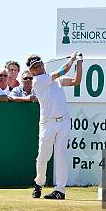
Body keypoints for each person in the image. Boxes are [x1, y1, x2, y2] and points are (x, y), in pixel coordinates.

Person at [27, 52, 82, 200]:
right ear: (31, 71)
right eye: (34, 67)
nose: (37, 68)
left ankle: (60, 190)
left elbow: (76, 81)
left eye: (38, 64)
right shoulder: (38, 80)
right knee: (43, 156)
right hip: (48, 123)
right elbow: (63, 70)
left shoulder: (55, 80)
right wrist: (72, 58)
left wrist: (79, 62)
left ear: (43, 64)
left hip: (64, 121)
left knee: (61, 154)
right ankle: (38, 184)